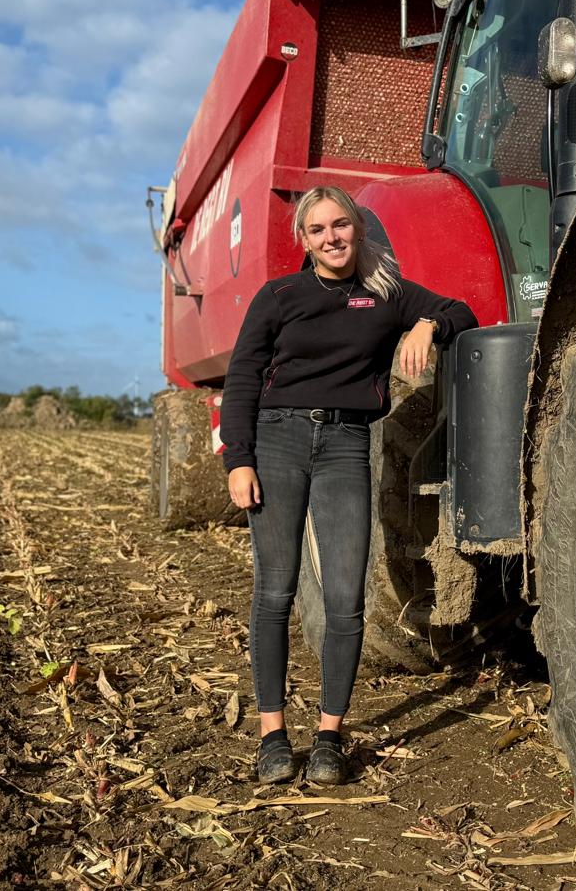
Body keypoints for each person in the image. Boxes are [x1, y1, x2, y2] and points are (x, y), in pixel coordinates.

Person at [220, 186, 478, 785]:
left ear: (357, 229)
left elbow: (462, 311)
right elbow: (242, 378)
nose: (332, 237)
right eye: (318, 229)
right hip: (279, 441)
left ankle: (330, 737)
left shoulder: (384, 295)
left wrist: (425, 325)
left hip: (345, 447)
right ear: (303, 241)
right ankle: (274, 736)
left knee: (345, 598)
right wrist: (240, 459)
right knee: (276, 592)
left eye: (341, 225)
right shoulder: (279, 296)